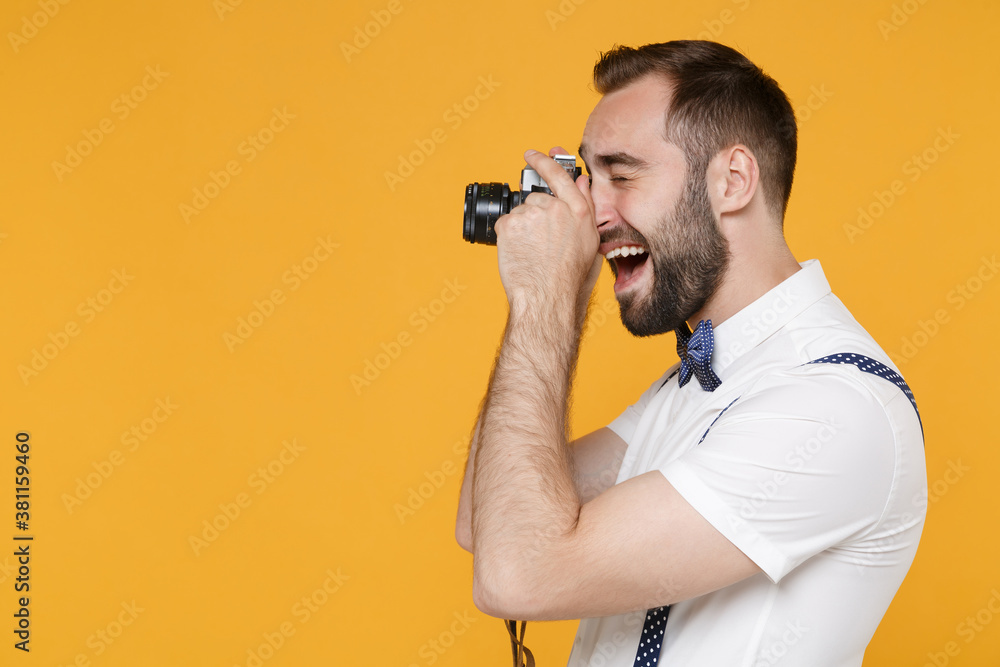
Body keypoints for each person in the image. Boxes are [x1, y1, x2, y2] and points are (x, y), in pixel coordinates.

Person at [454, 40, 926, 666]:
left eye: (621, 176)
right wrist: (551, 301)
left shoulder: (832, 403)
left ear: (732, 181)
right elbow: (484, 522)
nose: (592, 213)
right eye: (587, 181)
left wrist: (542, 301)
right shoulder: (696, 384)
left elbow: (519, 575)